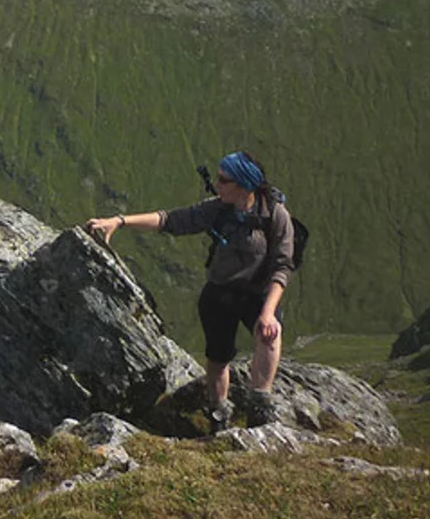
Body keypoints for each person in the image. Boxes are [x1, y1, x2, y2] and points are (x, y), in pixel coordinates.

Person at [84, 151, 295, 429]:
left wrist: (268, 313)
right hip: (220, 293)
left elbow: (283, 266)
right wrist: (120, 221)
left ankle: (260, 405)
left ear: (243, 185)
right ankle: (219, 412)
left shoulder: (275, 215)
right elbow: (170, 220)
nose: (217, 184)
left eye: (223, 180)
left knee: (269, 335)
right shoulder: (218, 208)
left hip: (258, 294)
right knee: (218, 357)